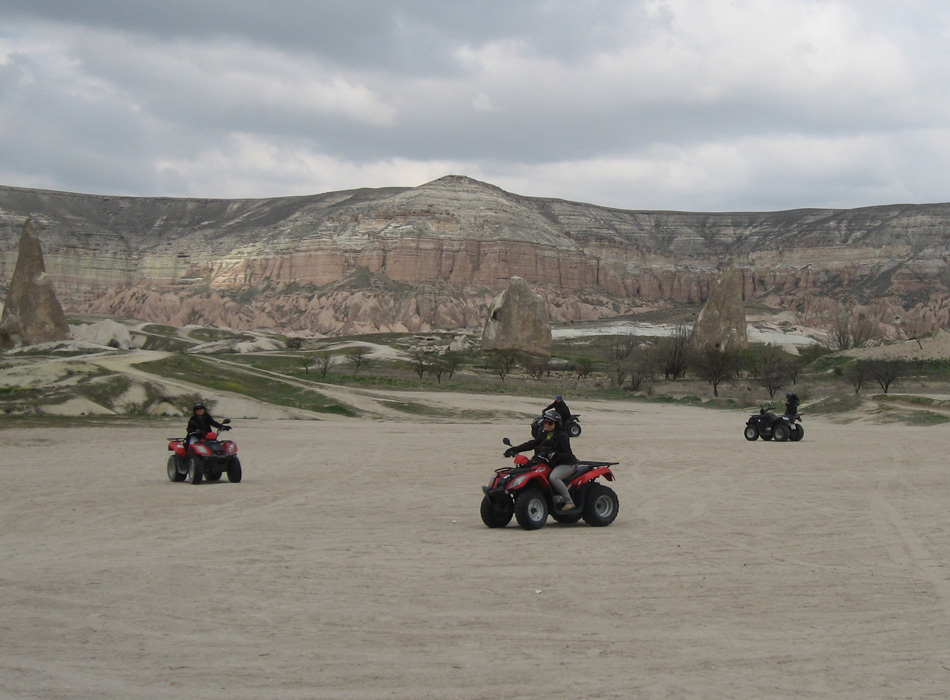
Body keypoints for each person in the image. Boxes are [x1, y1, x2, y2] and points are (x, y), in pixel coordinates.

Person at [504, 409, 579, 509]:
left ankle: (569, 502)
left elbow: (567, 455)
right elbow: (532, 443)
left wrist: (554, 454)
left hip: (566, 464)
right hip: (551, 463)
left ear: (556, 424)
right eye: (545, 422)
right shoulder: (545, 434)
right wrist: (515, 449)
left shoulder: (562, 436)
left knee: (554, 477)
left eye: (550, 423)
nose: (547, 425)